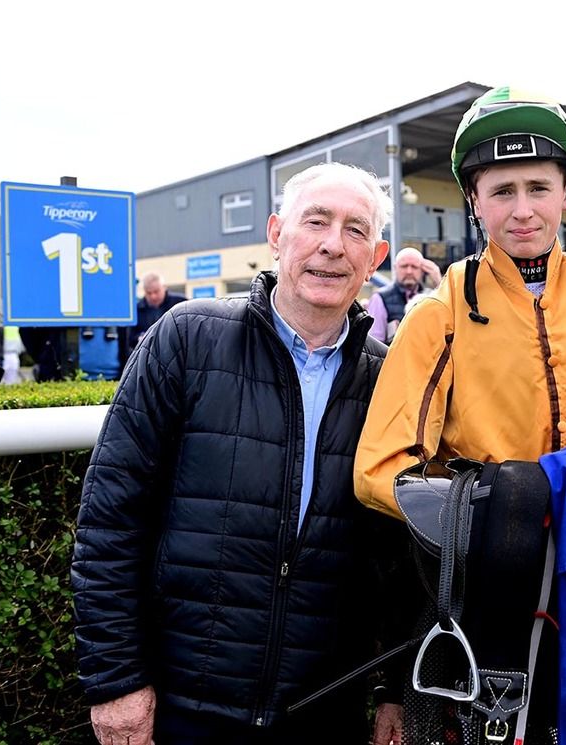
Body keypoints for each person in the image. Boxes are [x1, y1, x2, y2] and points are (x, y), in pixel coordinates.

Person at [354, 87, 566, 745]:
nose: (522, 209)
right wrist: (505, 514)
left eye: (538, 187)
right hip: (489, 599)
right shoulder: (438, 311)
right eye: (501, 190)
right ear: (474, 201)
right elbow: (380, 467)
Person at [71, 162, 408, 744]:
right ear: (277, 234)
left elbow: (401, 561)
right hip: (184, 707)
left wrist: (393, 691)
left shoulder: (389, 379)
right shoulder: (187, 336)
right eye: (316, 221)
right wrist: (117, 681)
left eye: (355, 230)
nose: (333, 244)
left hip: (323, 712)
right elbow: (109, 522)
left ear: (375, 258)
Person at [366, 246, 441, 343]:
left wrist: (439, 282)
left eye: (414, 267)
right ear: (395, 268)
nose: (409, 271)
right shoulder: (380, 298)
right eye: (404, 266)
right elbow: (374, 344)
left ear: (423, 270)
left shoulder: (431, 297)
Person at [122, 271, 187, 359]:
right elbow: (129, 340)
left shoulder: (181, 303)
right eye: (149, 293)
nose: (153, 296)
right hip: (148, 357)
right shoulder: (135, 311)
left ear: (164, 288)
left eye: (156, 291)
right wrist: (141, 338)